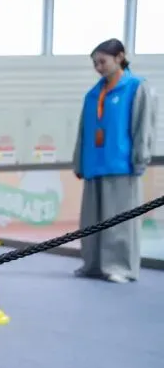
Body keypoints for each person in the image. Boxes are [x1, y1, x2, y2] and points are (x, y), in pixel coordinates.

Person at [72, 38, 155, 283]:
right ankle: (93, 265)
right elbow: (83, 131)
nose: (98, 68)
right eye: (95, 64)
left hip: (121, 165)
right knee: (91, 221)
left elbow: (143, 126)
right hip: (94, 164)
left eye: (102, 62)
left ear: (120, 57)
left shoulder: (136, 87)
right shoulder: (93, 94)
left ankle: (120, 267)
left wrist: (140, 157)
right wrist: (79, 162)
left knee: (120, 221)